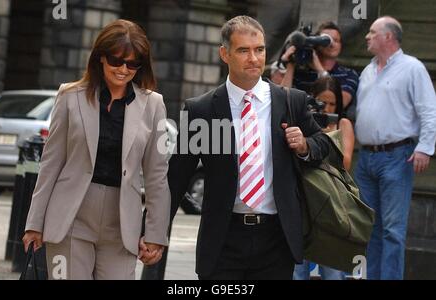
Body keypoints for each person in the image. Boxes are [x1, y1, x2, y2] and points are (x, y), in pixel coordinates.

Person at [168, 15, 329, 280]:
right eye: (243, 50)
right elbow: (177, 177)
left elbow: (323, 145)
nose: (254, 58)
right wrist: (152, 233)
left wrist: (304, 145)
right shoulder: (202, 110)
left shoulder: (292, 101)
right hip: (223, 240)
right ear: (225, 54)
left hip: (276, 239)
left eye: (260, 50)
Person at [22, 19, 171, 280]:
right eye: (116, 61)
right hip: (70, 217)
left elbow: (157, 174)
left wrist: (156, 234)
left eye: (132, 64)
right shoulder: (70, 96)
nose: (123, 69)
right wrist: (34, 223)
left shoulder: (153, 105)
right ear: (101, 58)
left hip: (122, 222)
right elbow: (51, 163)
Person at [354, 16, 436, 280]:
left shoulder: (412, 68)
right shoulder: (367, 70)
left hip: (397, 157)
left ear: (388, 37)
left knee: (392, 229)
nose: (366, 36)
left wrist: (425, 147)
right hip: (365, 158)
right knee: (369, 227)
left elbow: (429, 110)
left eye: (372, 32)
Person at [293, 76, 355, 280]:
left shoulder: (343, 124)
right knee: (297, 269)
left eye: (332, 104)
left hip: (332, 205)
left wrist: (327, 138)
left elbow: (345, 164)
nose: (326, 108)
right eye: (322, 102)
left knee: (333, 271)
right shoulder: (303, 122)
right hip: (304, 202)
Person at [281, 21, 359, 111]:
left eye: (336, 40)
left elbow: (341, 104)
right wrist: (291, 63)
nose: (332, 44)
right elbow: (283, 100)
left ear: (341, 45)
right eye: (326, 40)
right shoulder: (301, 72)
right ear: (316, 43)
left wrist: (319, 69)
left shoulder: (348, 75)